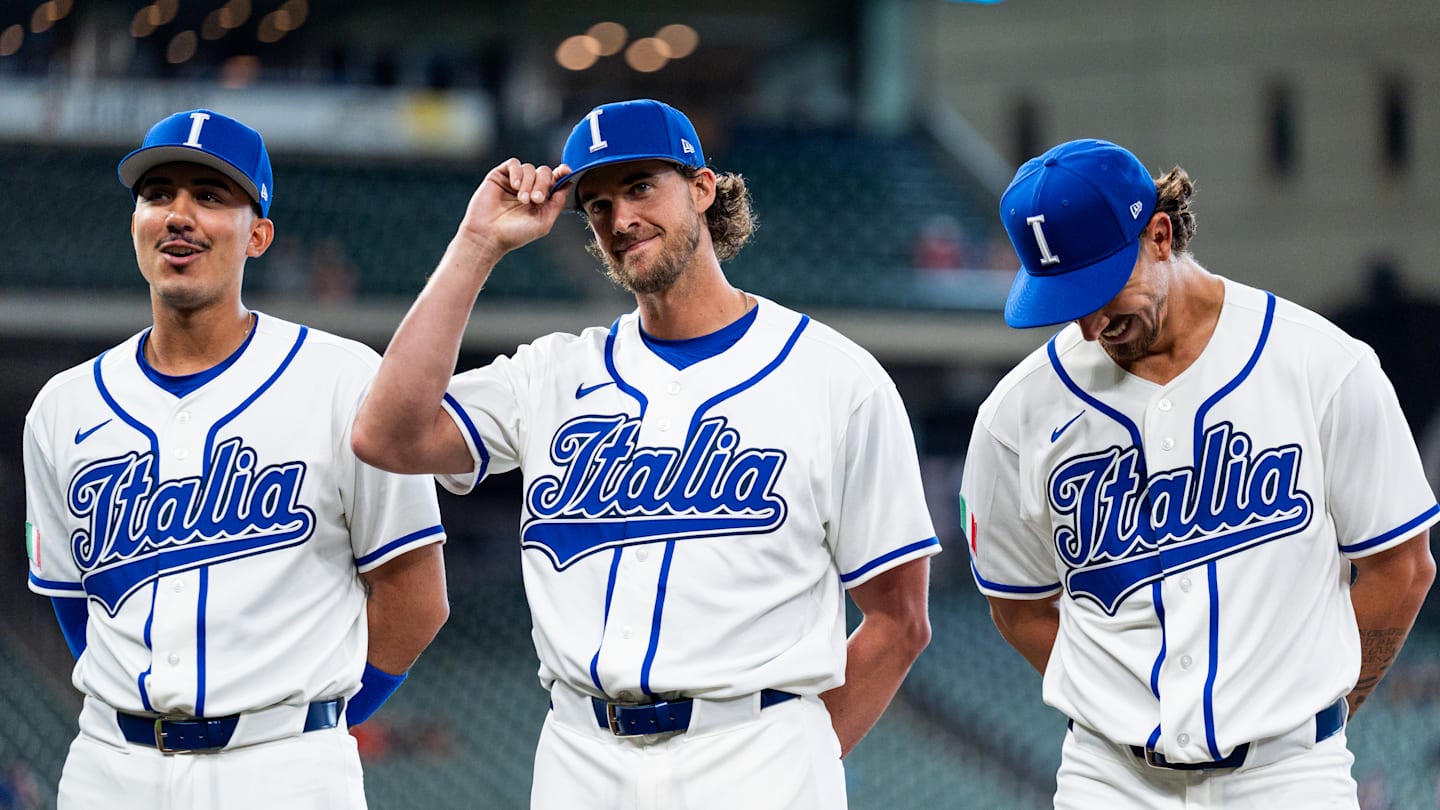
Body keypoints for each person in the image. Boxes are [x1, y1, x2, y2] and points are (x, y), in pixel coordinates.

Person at [351, 98, 939, 809]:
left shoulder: (835, 378)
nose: (619, 219)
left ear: (702, 189)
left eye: (639, 188)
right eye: (596, 204)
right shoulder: (553, 374)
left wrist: (802, 751)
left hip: (756, 753)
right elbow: (387, 434)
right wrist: (478, 243)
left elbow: (899, 620)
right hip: (579, 756)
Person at [958, 138, 1437, 808]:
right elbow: (1017, 605)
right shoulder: (1016, 414)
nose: (1092, 324)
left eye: (1100, 289)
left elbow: (1403, 568)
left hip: (1290, 776)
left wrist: (1314, 703)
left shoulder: (1322, 367)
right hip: (1110, 781)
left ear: (1159, 235)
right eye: (1067, 300)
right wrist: (1114, 702)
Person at [22, 109, 450, 809]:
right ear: (135, 223)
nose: (179, 215)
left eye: (211, 196)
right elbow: (76, 606)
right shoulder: (63, 407)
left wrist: (316, 719)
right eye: (158, 195)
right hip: (111, 769)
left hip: (285, 769)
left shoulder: (344, 381)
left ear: (258, 234)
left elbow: (416, 596)